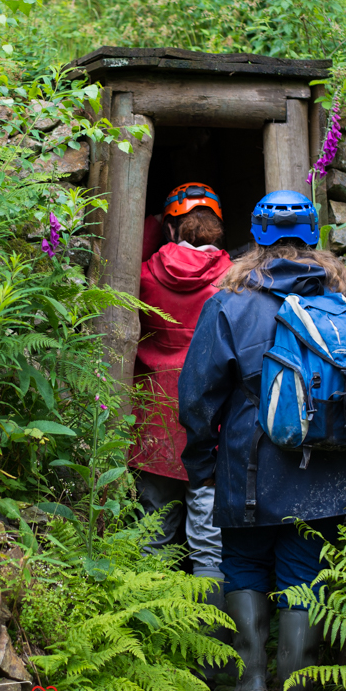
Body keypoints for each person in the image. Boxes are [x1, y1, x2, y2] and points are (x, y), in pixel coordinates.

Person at [177, 190, 346, 691]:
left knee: (244, 563)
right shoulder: (345, 303)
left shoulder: (230, 300)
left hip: (250, 461)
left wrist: (201, 464)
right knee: (305, 570)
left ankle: (250, 681)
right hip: (328, 466)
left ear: (256, 234)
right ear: (314, 233)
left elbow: (197, 396)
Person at [129, 183, 231, 593]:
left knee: (153, 534)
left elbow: (123, 252)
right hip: (212, 423)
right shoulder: (232, 279)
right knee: (209, 542)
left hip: (154, 420)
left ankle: (150, 637)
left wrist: (154, 224)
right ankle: (212, 648)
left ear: (172, 229)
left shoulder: (143, 275)